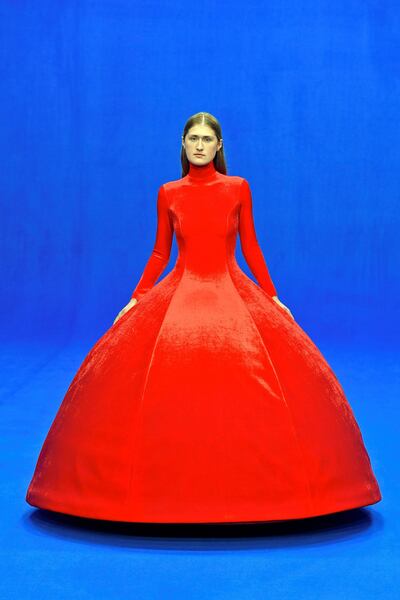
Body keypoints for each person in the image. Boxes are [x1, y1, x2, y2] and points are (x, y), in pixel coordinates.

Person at [26, 112, 382, 524]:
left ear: (218, 146)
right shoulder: (168, 192)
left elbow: (250, 246)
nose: (198, 145)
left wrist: (272, 296)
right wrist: (137, 297)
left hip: (231, 289)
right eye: (192, 138)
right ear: (182, 143)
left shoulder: (237, 188)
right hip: (180, 290)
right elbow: (161, 252)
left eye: (206, 139)